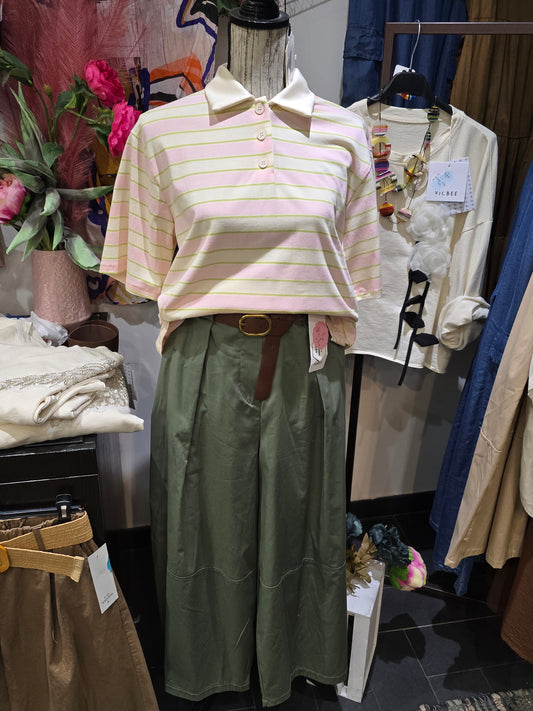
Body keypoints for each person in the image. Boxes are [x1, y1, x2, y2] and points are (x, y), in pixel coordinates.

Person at [100, 0, 380, 705]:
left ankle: (293, 656)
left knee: (301, 523)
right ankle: (206, 666)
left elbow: (355, 276)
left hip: (308, 363)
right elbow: (140, 274)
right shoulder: (161, 135)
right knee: (201, 523)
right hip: (204, 358)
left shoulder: (345, 134)